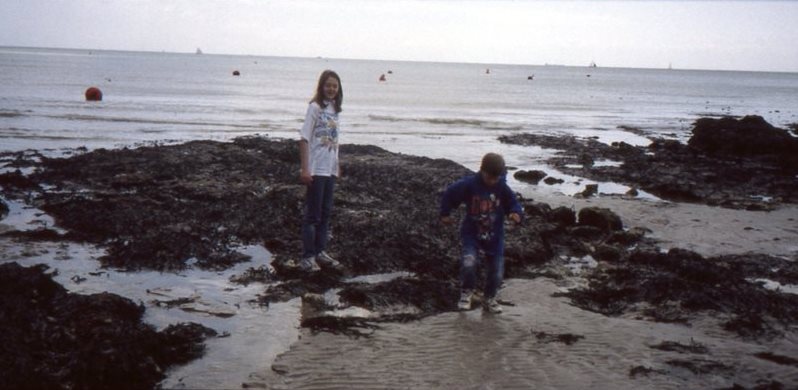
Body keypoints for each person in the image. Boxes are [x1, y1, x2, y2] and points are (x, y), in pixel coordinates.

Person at [440, 153, 523, 313]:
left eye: (496, 177)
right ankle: (466, 293)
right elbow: (450, 193)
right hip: (471, 233)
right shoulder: (469, 185)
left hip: (495, 236)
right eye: (489, 177)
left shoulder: (502, 187)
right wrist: (445, 213)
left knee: (497, 271)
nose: (492, 181)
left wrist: (516, 214)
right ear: (482, 171)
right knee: (469, 263)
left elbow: (513, 202)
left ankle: (489, 298)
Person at [298, 70, 343, 272]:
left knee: (325, 214)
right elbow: (304, 138)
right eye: (328, 85)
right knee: (312, 216)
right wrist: (305, 168)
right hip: (316, 169)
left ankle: (320, 252)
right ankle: (307, 256)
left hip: (329, 170)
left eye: (335, 85)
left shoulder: (335, 109)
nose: (332, 89)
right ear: (321, 86)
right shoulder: (314, 107)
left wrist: (337, 165)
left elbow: (335, 140)